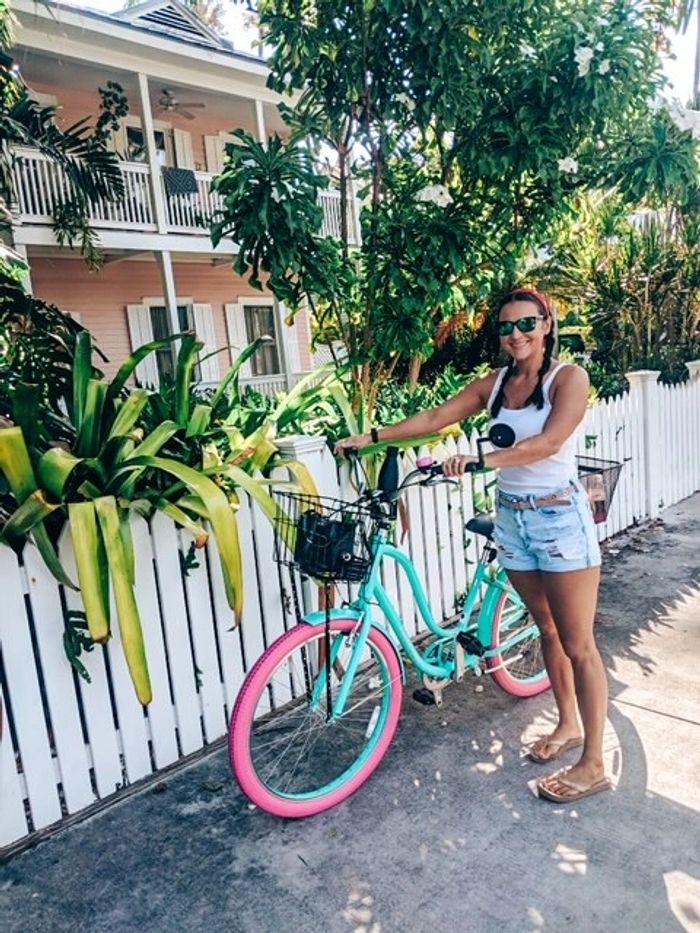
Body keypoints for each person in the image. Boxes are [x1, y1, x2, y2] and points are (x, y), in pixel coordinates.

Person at [335, 288, 611, 803]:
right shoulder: (496, 384)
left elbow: (550, 442)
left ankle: (593, 762)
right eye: (505, 327)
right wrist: (373, 436)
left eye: (526, 323)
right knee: (546, 627)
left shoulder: (567, 379)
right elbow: (436, 418)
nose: (516, 335)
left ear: (546, 324)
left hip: (558, 518)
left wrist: (480, 460)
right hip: (514, 520)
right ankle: (568, 723)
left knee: (579, 644)